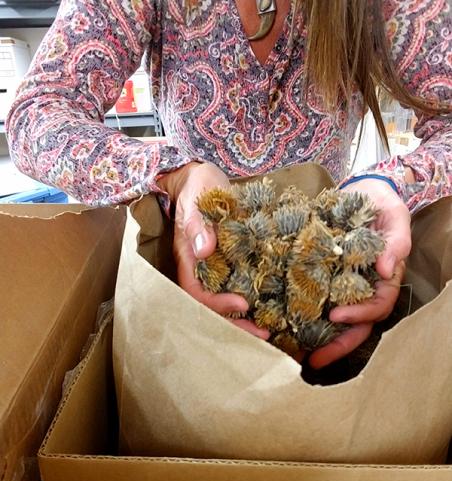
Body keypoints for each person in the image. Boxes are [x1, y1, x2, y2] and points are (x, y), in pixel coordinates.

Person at [6, 0, 451, 369]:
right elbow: (37, 114)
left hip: (323, 272)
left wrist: (396, 181)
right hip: (189, 273)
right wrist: (174, 173)